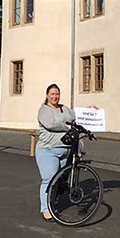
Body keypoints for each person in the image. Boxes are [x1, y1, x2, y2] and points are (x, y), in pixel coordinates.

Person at [35, 84, 75, 222]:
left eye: (57, 94)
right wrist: (67, 125)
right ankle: (45, 209)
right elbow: (51, 124)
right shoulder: (44, 110)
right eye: (52, 94)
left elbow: (76, 117)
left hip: (65, 150)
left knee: (58, 180)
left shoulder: (65, 109)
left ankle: (52, 203)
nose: (55, 96)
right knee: (49, 179)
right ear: (47, 95)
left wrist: (91, 110)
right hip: (48, 150)